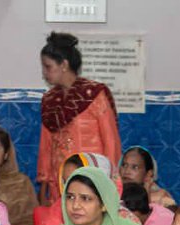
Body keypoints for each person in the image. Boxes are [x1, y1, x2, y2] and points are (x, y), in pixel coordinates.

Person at [37, 32, 121, 207]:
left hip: (92, 179)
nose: (44, 73)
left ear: (64, 65)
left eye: (48, 66)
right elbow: (46, 145)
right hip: (59, 182)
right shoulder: (49, 100)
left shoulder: (94, 94)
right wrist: (45, 183)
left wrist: (109, 180)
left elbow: (111, 141)